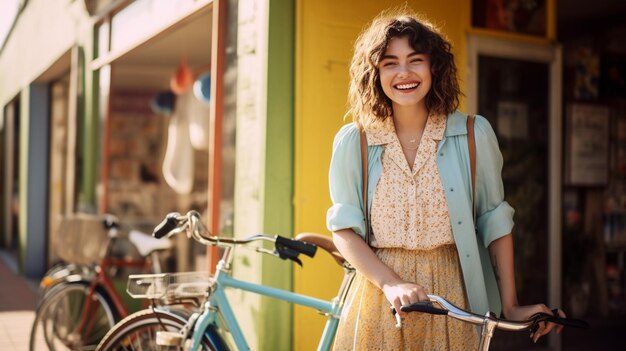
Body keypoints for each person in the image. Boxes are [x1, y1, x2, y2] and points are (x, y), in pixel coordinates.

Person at [326, 9, 565, 350]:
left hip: (453, 295)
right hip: (378, 300)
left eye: (415, 60)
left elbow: (495, 220)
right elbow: (344, 230)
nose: (403, 72)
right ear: (375, 72)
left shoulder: (473, 133)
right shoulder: (355, 141)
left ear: (433, 66)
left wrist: (511, 305)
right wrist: (392, 284)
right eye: (390, 62)